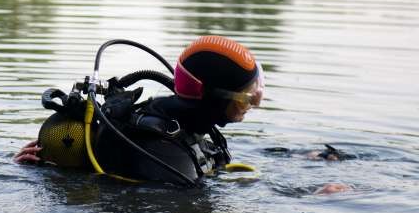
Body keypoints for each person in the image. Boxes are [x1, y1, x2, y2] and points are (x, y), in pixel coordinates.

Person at [14, 35, 264, 187]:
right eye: (245, 99)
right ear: (211, 99)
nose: (253, 104)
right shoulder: (169, 158)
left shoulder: (175, 121)